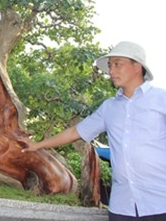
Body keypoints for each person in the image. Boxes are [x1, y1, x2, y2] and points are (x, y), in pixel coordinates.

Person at [20, 41, 166, 221]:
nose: (111, 71)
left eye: (117, 64)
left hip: (160, 202)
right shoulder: (109, 107)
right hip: (122, 208)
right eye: (110, 65)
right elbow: (76, 131)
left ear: (137, 66)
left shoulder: (161, 100)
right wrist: (38, 145)